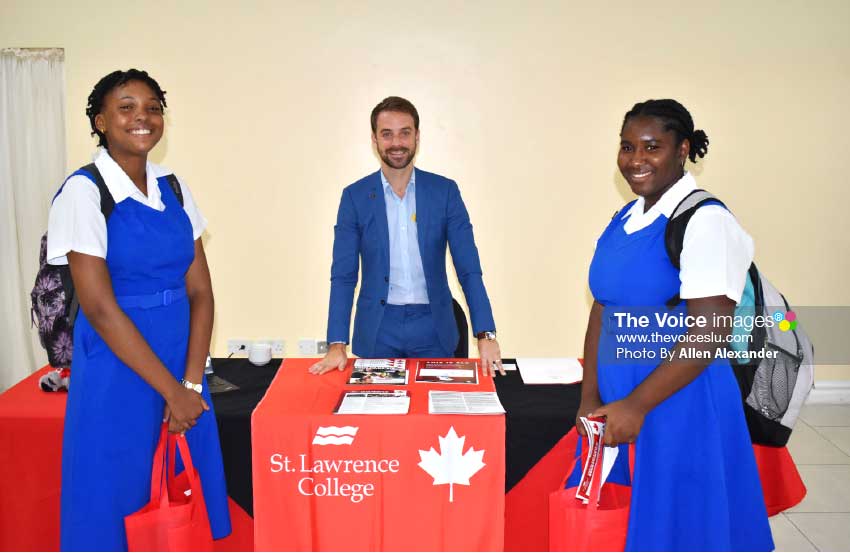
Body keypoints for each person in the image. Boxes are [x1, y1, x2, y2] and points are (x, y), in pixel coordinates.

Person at [576, 99, 774, 550]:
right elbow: (602, 308)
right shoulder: (626, 217)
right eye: (627, 147)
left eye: (652, 147)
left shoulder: (705, 220)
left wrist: (637, 406)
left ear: (682, 149)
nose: (635, 160)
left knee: (683, 528)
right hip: (620, 399)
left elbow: (709, 333)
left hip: (677, 401)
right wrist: (591, 395)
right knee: (631, 527)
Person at [49, 69, 231, 550]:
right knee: (117, 494)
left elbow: (201, 293)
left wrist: (190, 385)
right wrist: (173, 390)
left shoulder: (173, 188)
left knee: (180, 492)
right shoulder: (83, 193)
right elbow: (101, 308)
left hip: (180, 360)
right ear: (100, 121)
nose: (142, 117)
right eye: (126, 107)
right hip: (118, 365)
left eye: (152, 107)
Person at [309, 96, 503, 376]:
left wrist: (486, 334)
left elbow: (469, 269)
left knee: (435, 416)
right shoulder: (354, 197)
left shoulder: (445, 192)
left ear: (417, 137)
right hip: (378, 331)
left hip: (434, 330)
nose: (396, 143)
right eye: (387, 134)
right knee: (377, 418)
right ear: (375, 140)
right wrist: (337, 342)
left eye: (405, 133)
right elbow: (343, 275)